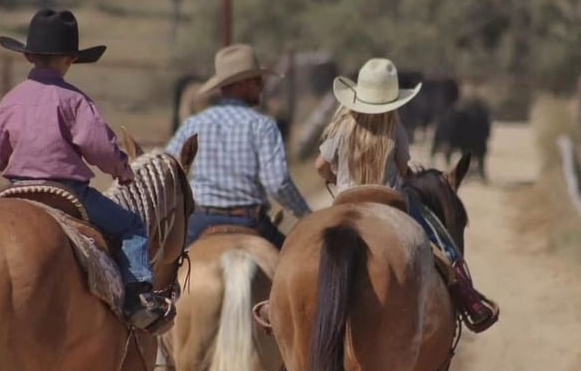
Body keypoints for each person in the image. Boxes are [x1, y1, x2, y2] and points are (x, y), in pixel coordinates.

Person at [0, 8, 170, 332]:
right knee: (132, 227)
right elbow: (97, 145)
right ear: (70, 60)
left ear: (28, 56)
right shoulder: (75, 100)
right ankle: (138, 296)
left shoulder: (10, 100)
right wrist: (121, 171)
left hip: (17, 189)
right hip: (67, 192)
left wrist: (9, 165)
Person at [315, 57, 498, 332]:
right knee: (439, 241)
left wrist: (334, 178)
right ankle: (466, 295)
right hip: (389, 202)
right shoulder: (394, 129)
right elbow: (403, 170)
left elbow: (320, 167)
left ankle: (274, 301)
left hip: (346, 200)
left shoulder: (342, 127)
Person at [165, 43, 311, 249]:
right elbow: (277, 183)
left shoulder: (194, 123)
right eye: (257, 80)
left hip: (199, 222)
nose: (262, 85)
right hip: (250, 220)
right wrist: (305, 214)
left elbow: (165, 169)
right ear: (241, 84)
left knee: (165, 276)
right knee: (295, 268)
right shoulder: (263, 125)